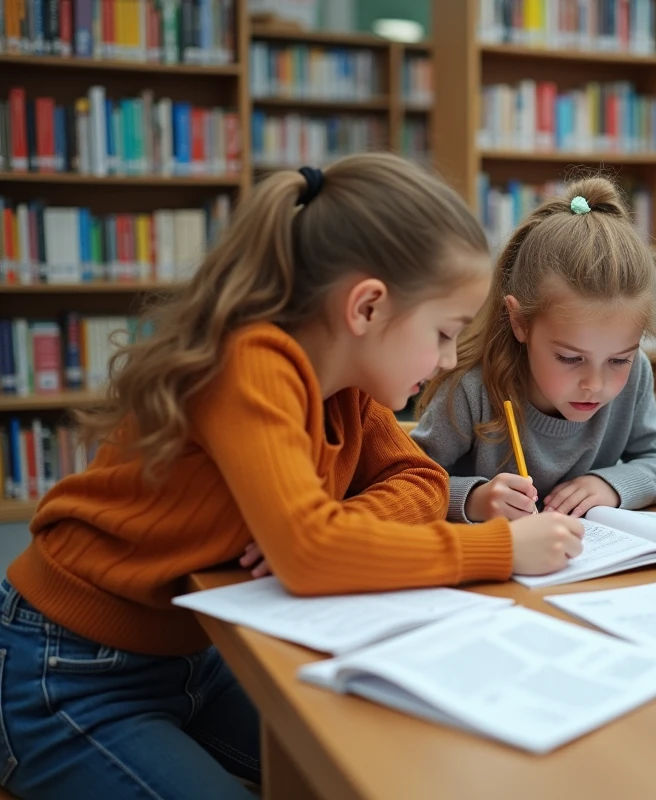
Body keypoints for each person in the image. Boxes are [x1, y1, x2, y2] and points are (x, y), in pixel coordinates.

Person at [0, 154, 583, 799]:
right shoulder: (252, 364)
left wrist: (341, 526)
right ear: (367, 307)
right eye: (444, 333)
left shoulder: (348, 384)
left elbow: (420, 480)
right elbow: (308, 556)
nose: (449, 359)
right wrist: (499, 548)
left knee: (384, 765)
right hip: (69, 669)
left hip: (196, 655)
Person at [414, 177, 656, 522]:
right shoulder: (471, 388)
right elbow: (406, 480)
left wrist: (610, 485)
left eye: (619, 359)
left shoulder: (636, 375)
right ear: (519, 322)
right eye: (570, 358)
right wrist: (473, 500)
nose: (595, 384)